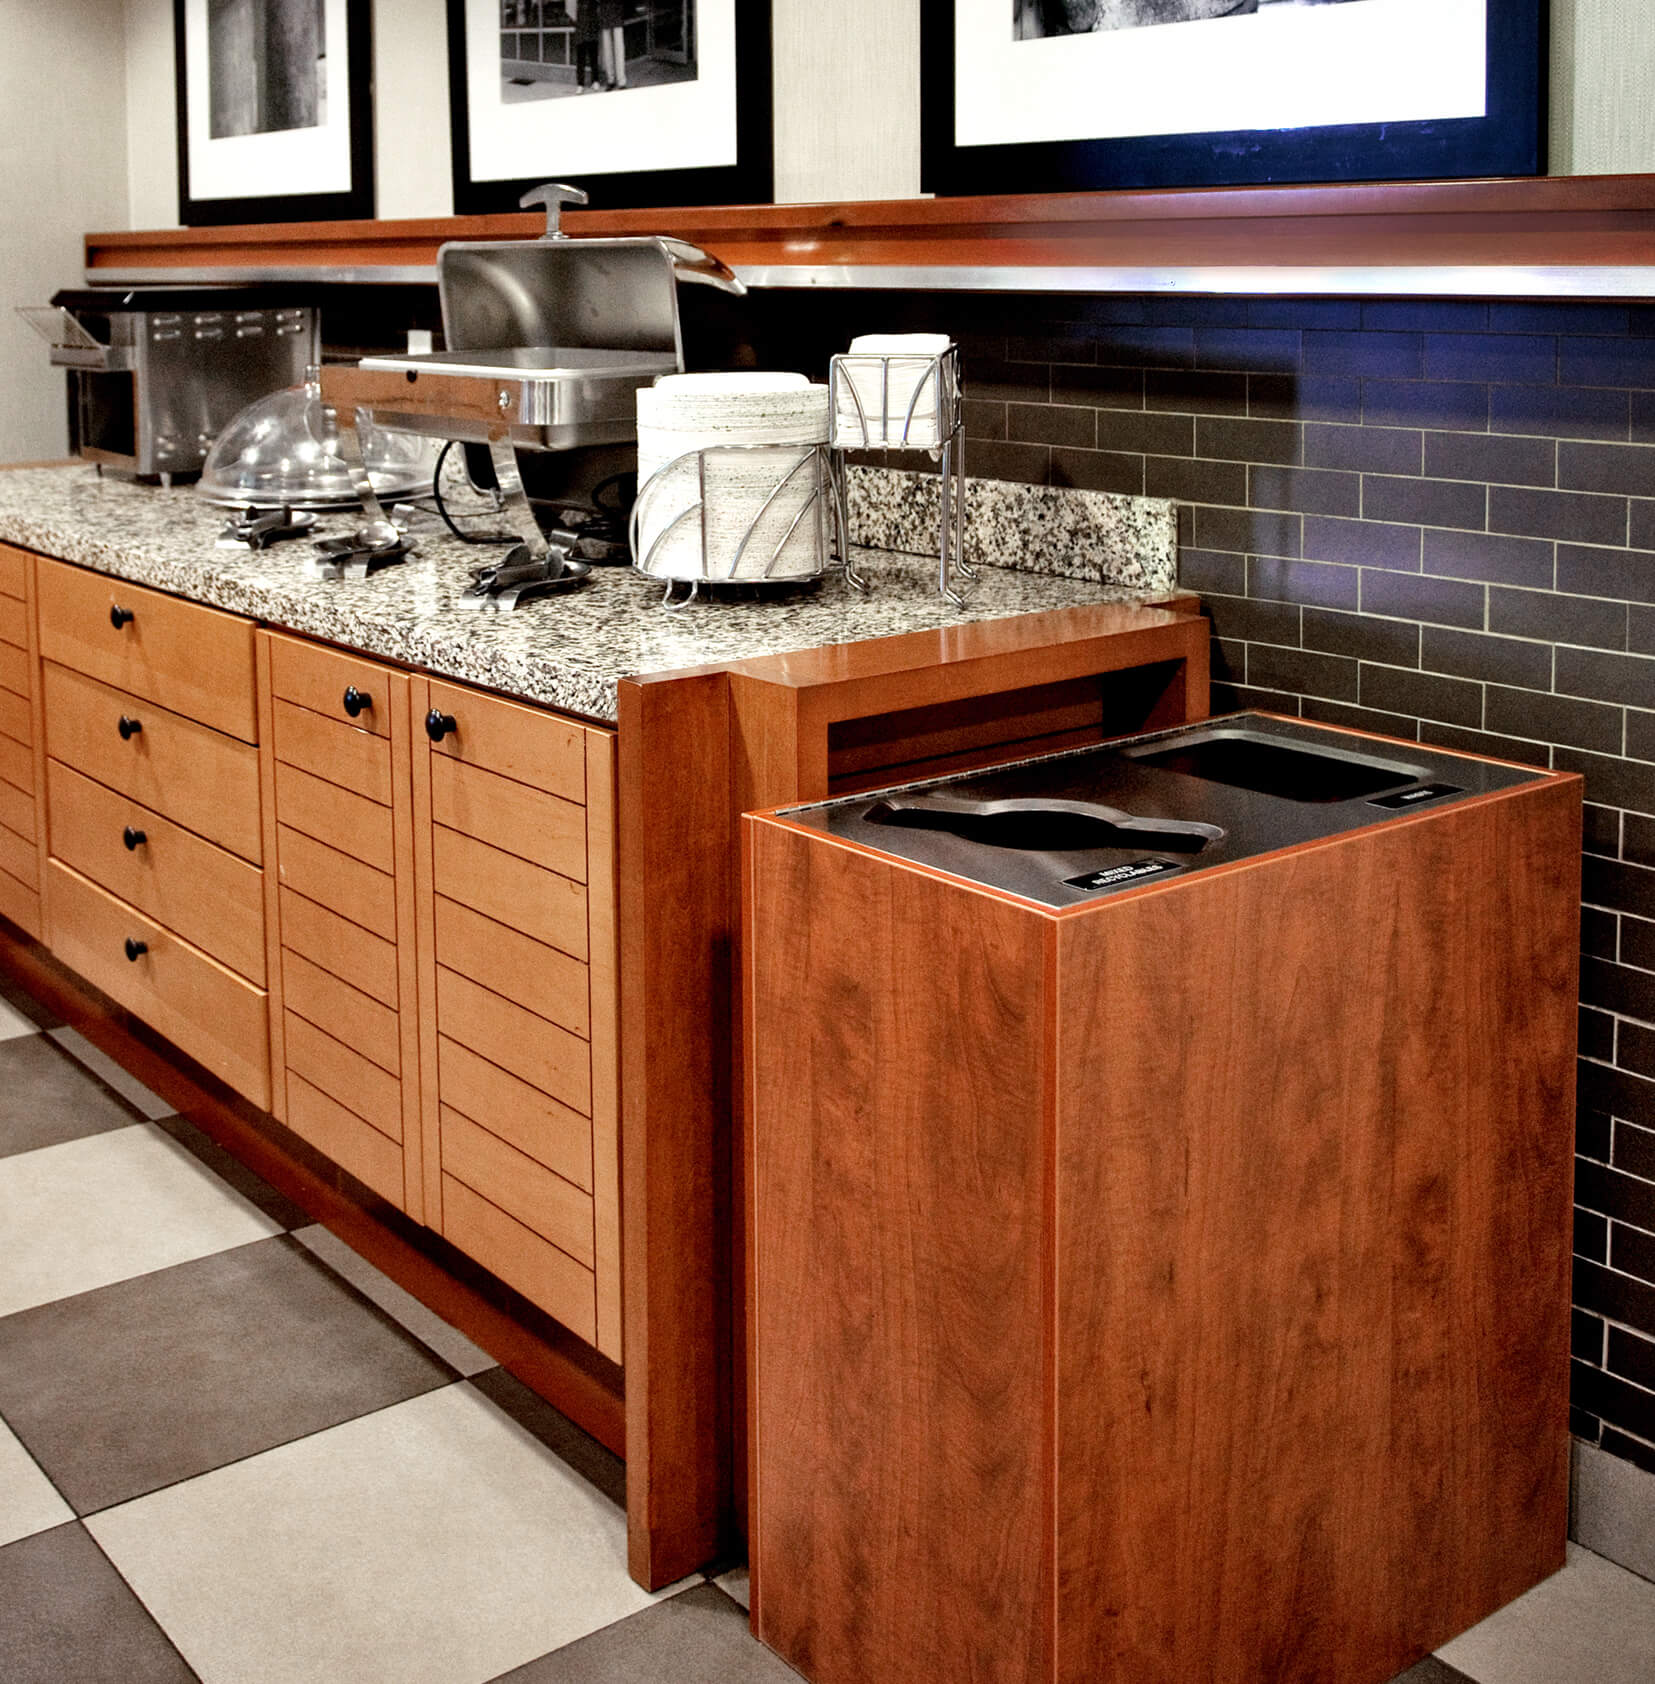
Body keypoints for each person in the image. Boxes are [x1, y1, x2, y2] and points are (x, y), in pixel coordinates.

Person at [597, 0, 627, 90]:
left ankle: (620, 80)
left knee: (618, 49)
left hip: (616, 14)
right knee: (608, 50)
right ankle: (611, 79)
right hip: (605, 14)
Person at [574, 0, 600, 91]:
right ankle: (581, 83)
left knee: (593, 58)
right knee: (581, 59)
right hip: (582, 31)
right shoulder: (578, 3)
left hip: (590, 30)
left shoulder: (593, 3)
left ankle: (595, 81)